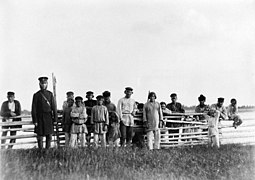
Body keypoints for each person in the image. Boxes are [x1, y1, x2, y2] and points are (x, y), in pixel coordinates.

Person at [32, 77, 57, 149]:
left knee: (49, 136)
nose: (43, 85)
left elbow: (54, 107)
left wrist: (55, 119)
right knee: (39, 136)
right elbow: (34, 108)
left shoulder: (50, 94)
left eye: (45, 83)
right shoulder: (36, 95)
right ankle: (40, 152)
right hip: (39, 118)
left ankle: (47, 151)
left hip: (48, 117)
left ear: (47, 84)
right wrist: (35, 120)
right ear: (39, 84)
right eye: (42, 83)